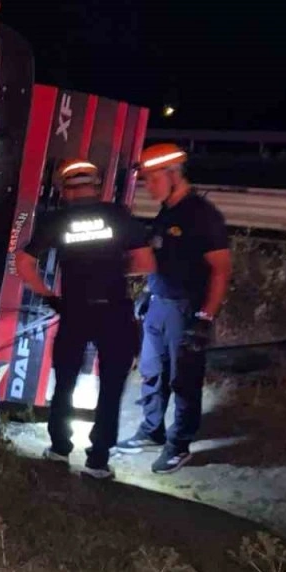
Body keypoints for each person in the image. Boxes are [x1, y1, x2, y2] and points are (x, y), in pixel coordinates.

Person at [15, 159, 155, 479]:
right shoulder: (118, 215)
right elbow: (146, 263)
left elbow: (23, 262)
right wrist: (115, 270)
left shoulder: (57, 219)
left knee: (65, 381)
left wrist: (48, 295)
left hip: (74, 309)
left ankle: (59, 449)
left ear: (65, 190)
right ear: (97, 187)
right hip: (114, 311)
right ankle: (98, 462)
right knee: (111, 386)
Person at [117, 143, 232, 474]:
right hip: (158, 306)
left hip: (186, 310)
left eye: (153, 179)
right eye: (146, 180)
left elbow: (221, 269)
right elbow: (161, 259)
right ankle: (152, 430)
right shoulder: (166, 213)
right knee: (152, 373)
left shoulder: (202, 215)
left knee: (184, 379)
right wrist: (148, 293)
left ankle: (179, 444)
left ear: (173, 174)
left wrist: (205, 318)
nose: (148, 187)